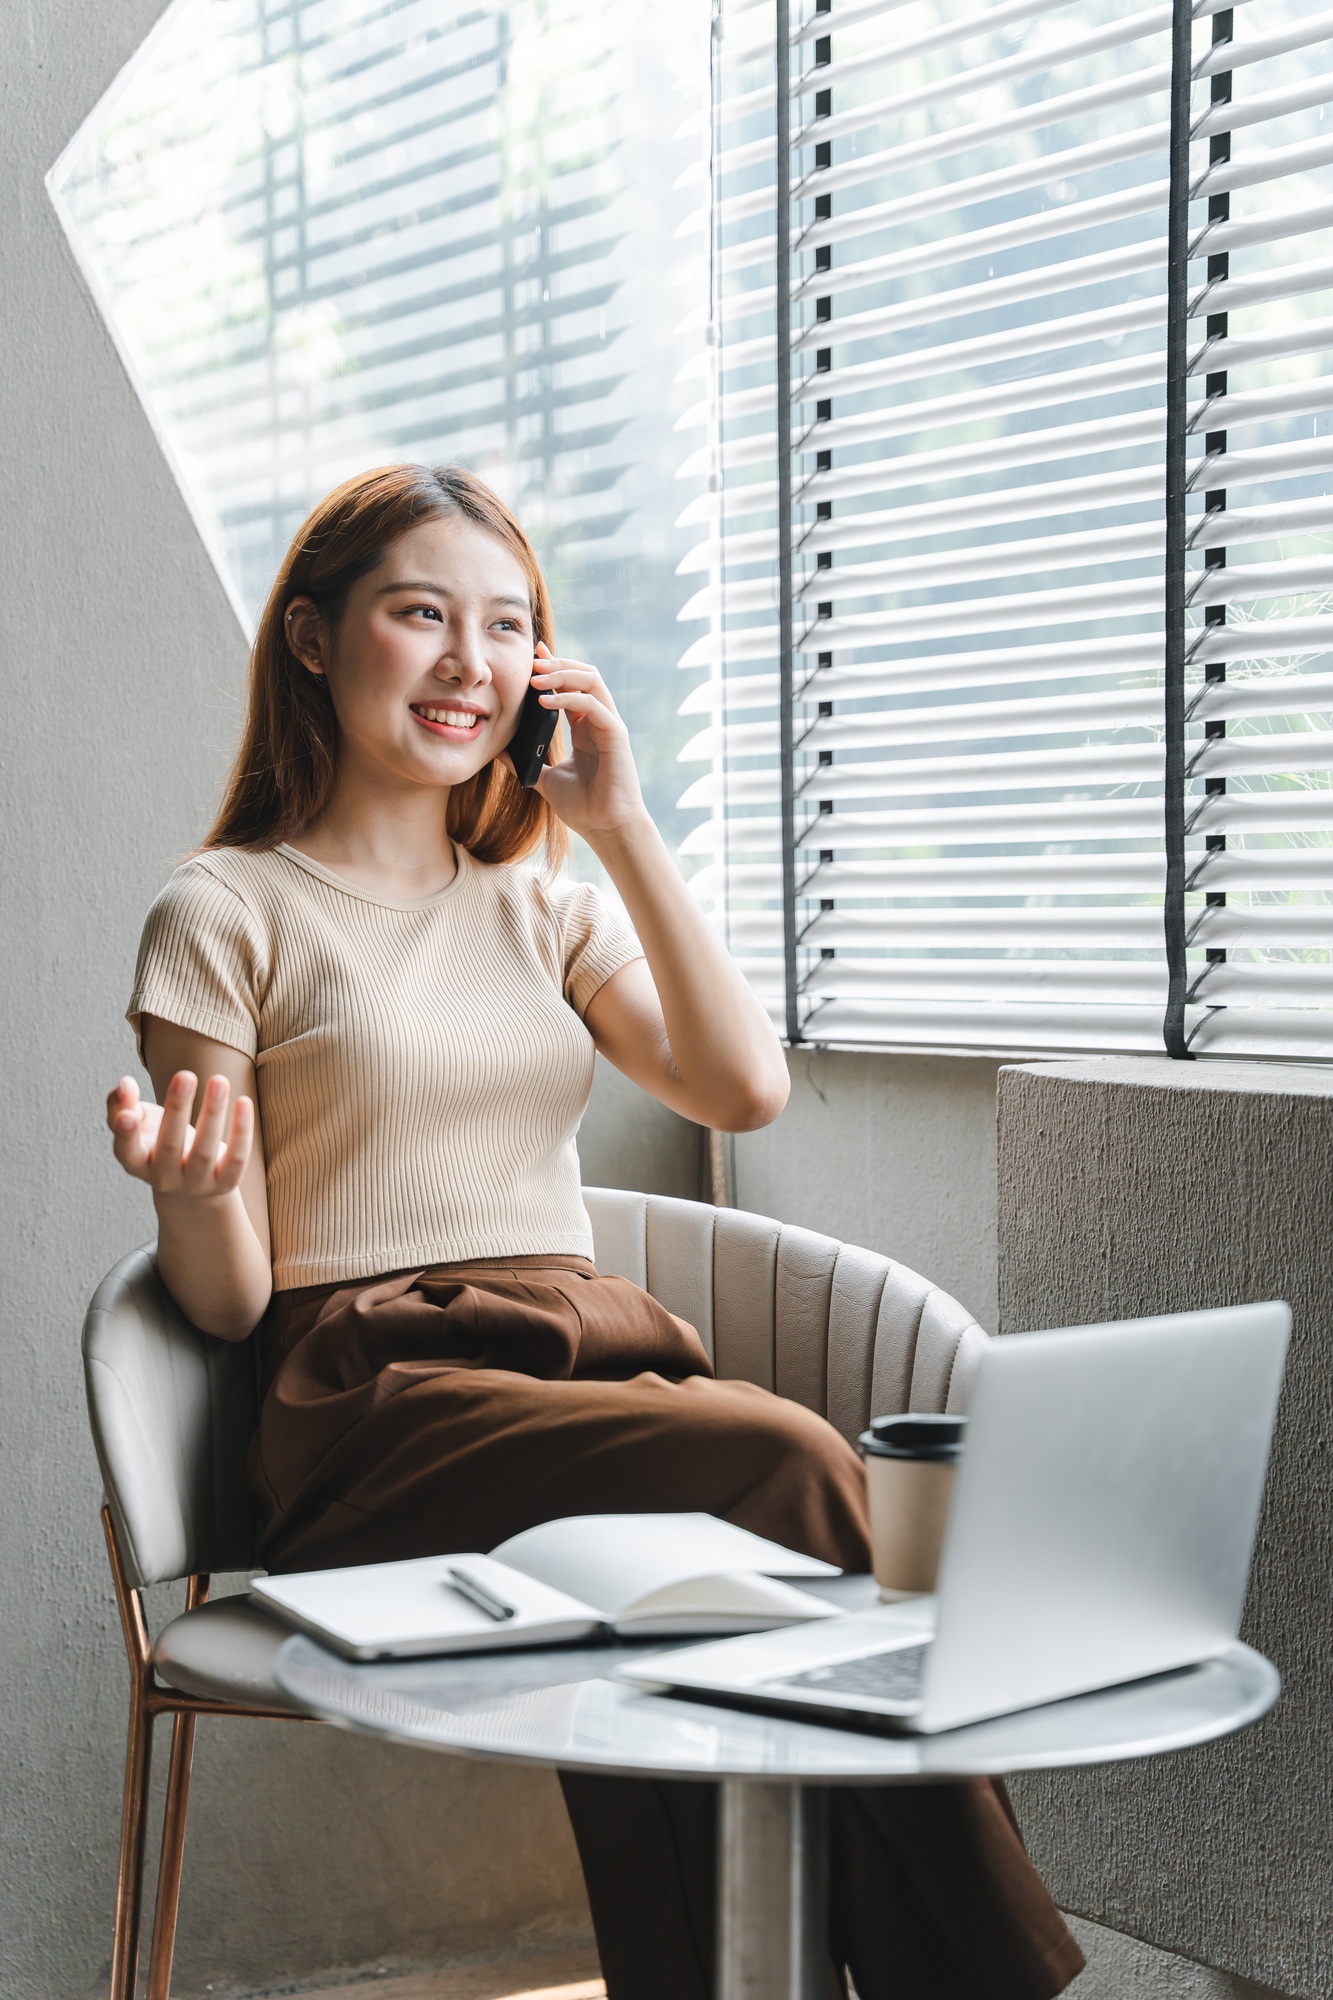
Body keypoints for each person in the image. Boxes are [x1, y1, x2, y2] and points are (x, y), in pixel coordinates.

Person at [104, 463, 1083, 2000]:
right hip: (370, 1403)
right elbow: (229, 1309)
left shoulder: (544, 901)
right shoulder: (222, 911)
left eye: (507, 628)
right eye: (418, 614)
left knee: (674, 1615)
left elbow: (742, 1088)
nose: (467, 664)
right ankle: (987, 1980)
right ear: (309, 635)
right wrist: (189, 1190)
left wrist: (618, 824)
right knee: (789, 1465)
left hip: (577, 1358)